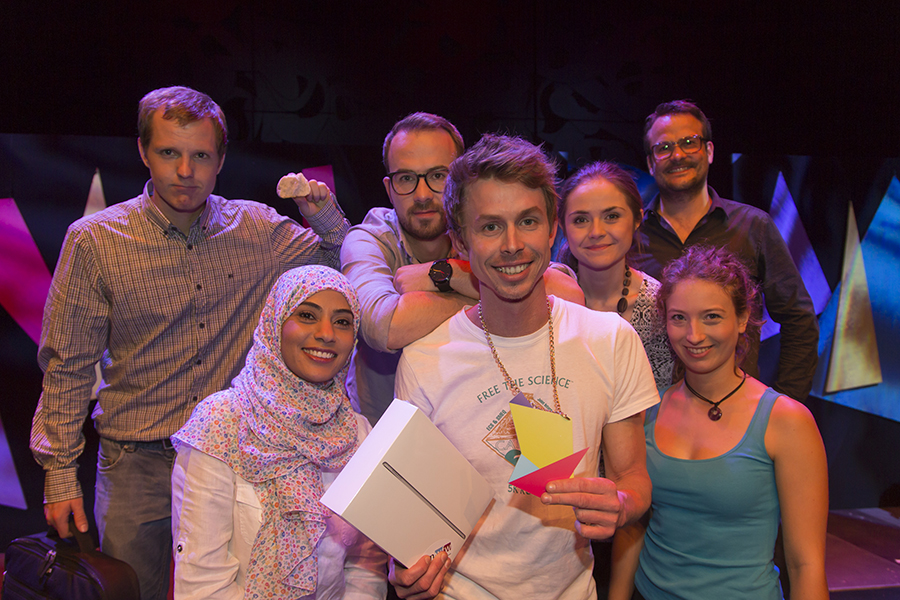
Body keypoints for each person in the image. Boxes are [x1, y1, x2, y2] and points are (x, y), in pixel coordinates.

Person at [29, 86, 349, 600]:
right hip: (137, 463)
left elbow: (338, 266)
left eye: (200, 155)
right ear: (142, 151)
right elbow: (67, 365)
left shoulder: (257, 229)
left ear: (221, 159)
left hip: (236, 457)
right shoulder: (95, 241)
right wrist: (60, 475)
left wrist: (323, 213)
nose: (185, 171)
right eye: (169, 152)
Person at [391, 134, 659, 599]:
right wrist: (407, 570)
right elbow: (414, 516)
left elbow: (633, 475)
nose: (513, 245)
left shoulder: (611, 339)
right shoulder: (423, 361)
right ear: (460, 240)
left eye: (528, 222)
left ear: (552, 228)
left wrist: (621, 503)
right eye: (490, 227)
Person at [609, 246, 828, 600]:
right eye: (679, 318)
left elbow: (806, 565)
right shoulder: (647, 408)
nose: (693, 335)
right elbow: (633, 527)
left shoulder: (785, 421)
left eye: (711, 317)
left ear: (742, 319)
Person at [341, 112, 583, 424]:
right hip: (388, 434)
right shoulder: (369, 238)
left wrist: (447, 276)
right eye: (406, 179)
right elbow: (383, 327)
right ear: (389, 188)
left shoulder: (484, 229)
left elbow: (570, 297)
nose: (423, 195)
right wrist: (500, 293)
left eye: (438, 176)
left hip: (487, 423)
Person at [171, 265, 387, 599]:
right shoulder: (223, 422)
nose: (327, 333)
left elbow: (365, 565)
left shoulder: (357, 434)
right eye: (307, 315)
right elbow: (202, 582)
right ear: (275, 324)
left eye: (343, 321)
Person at [631, 99, 818, 401]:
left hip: (737, 412)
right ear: (651, 163)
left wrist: (785, 403)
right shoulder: (630, 235)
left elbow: (799, 319)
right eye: (664, 148)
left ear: (709, 151)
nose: (677, 155)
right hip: (650, 416)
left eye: (689, 143)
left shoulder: (753, 226)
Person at [557, 161, 673, 391]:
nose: (596, 232)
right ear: (562, 226)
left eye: (611, 216)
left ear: (637, 219)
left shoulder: (661, 307)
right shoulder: (545, 295)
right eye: (581, 219)